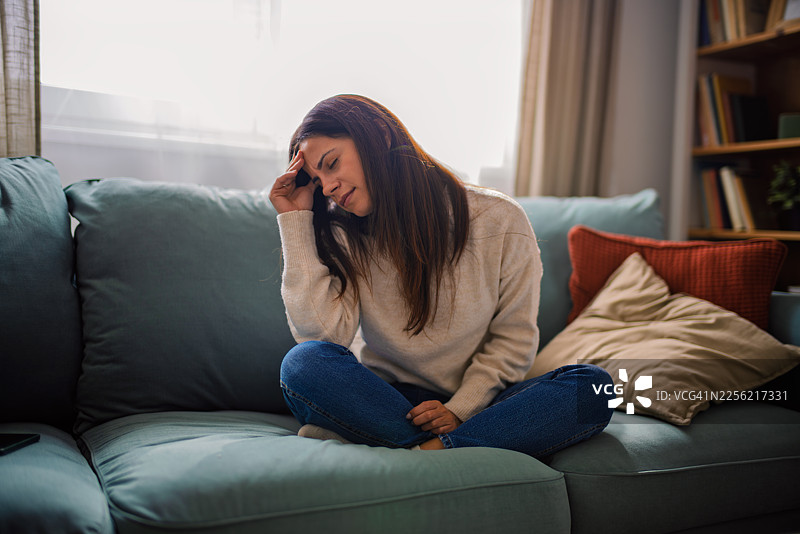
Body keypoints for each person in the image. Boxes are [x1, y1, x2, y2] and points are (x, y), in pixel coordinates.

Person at [269, 94, 613, 455]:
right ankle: (446, 450)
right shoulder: (346, 235)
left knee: (596, 389)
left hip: (479, 403)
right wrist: (295, 221)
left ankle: (415, 448)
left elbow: (514, 340)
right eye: (318, 179)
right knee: (302, 364)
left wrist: (459, 411)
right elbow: (324, 338)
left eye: (332, 163)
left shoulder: (499, 219)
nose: (327, 188)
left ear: (380, 136)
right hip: (387, 399)